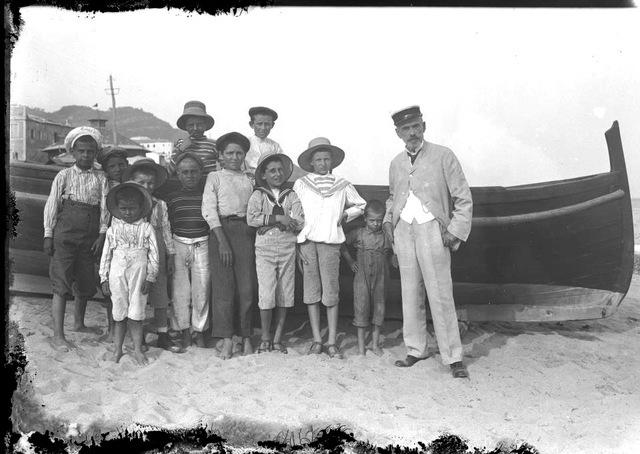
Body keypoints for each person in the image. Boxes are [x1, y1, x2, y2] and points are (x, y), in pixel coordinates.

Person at [383, 105, 472, 378]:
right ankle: (415, 349)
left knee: (440, 293)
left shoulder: (443, 156)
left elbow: (463, 198)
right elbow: (393, 196)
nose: (412, 132)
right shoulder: (396, 163)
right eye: (406, 129)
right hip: (403, 231)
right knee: (410, 293)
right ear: (398, 133)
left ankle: (453, 356)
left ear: (424, 126)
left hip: (433, 228)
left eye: (416, 126)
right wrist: (388, 220)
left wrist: (454, 231)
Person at [294, 137, 366, 359]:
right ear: (311, 162)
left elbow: (361, 205)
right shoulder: (302, 184)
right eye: (318, 159)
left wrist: (346, 214)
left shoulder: (342, 184)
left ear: (332, 161)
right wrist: (297, 240)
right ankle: (317, 339)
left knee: (331, 293)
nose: (323, 163)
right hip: (307, 243)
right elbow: (293, 212)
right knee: (312, 293)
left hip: (331, 243)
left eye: (326, 159)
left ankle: (332, 340)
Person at [43, 126, 110, 351]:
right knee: (61, 283)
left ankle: (79, 324)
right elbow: (52, 205)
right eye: (81, 151)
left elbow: (105, 208)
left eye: (90, 151)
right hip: (65, 235)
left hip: (90, 236)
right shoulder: (64, 175)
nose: (86, 155)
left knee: (84, 282)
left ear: (95, 153)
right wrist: (48, 235)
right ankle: (58, 336)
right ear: (73, 152)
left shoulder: (101, 178)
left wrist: (102, 234)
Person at [202, 132, 256, 360]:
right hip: (221, 232)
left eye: (239, 153)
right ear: (221, 155)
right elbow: (209, 209)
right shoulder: (214, 177)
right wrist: (222, 241)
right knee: (224, 289)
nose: (234, 157)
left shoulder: (249, 179)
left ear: (244, 155)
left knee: (246, 288)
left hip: (245, 232)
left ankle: (245, 337)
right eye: (230, 153)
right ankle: (225, 340)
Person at [247, 153, 304, 354]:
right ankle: (265, 336)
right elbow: (252, 219)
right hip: (264, 249)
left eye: (280, 170)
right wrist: (278, 219)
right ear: (264, 174)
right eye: (272, 170)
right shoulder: (259, 195)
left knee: (285, 293)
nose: (277, 174)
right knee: (266, 292)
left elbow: (298, 221)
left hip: (287, 247)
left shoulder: (291, 195)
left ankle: (278, 338)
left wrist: (272, 222)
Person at [124, 159, 182, 353]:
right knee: (136, 294)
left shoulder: (160, 204)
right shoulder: (127, 204)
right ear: (132, 182)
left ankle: (163, 335)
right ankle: (137, 337)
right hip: (135, 249)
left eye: (150, 183)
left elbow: (165, 229)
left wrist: (171, 255)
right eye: (142, 183)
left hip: (157, 249)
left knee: (160, 295)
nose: (147, 187)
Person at [99, 182, 158, 365]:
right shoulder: (113, 230)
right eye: (123, 208)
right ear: (117, 208)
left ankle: (138, 350)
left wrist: (151, 276)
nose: (127, 213)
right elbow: (106, 256)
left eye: (132, 208)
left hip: (139, 274)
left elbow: (154, 255)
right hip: (117, 274)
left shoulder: (146, 228)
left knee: (137, 311)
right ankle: (117, 349)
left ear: (141, 208)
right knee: (119, 311)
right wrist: (103, 277)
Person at [165, 152, 211, 350]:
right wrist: (170, 252)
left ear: (201, 173)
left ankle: (199, 331)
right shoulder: (171, 198)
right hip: (178, 244)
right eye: (185, 172)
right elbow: (167, 226)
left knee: (202, 289)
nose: (190, 176)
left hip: (202, 243)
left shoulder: (207, 197)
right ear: (178, 174)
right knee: (180, 291)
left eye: (194, 171)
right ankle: (183, 331)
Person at [341, 200, 393, 356]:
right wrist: (350, 261)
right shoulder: (358, 233)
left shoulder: (386, 236)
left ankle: (376, 345)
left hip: (381, 276)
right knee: (361, 306)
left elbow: (394, 251)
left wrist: (393, 260)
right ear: (365, 218)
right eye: (372, 220)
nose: (376, 224)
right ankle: (362, 347)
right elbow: (341, 242)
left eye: (379, 220)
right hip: (361, 276)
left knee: (379, 307)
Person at [95, 146, 129, 342]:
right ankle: (111, 329)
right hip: (110, 238)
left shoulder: (133, 185)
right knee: (110, 285)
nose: (118, 169)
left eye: (121, 165)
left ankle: (127, 330)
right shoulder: (103, 186)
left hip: (132, 239)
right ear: (105, 169)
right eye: (112, 166)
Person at [169, 100, 218, 175]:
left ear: (205, 126)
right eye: (191, 125)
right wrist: (180, 150)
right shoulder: (180, 144)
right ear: (186, 127)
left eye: (199, 124)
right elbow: (170, 171)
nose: (195, 128)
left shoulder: (214, 144)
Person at [245, 106, 284, 175]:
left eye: (267, 124)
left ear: (272, 125)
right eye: (259, 124)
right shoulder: (245, 143)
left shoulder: (275, 146)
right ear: (251, 124)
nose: (263, 128)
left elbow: (281, 165)